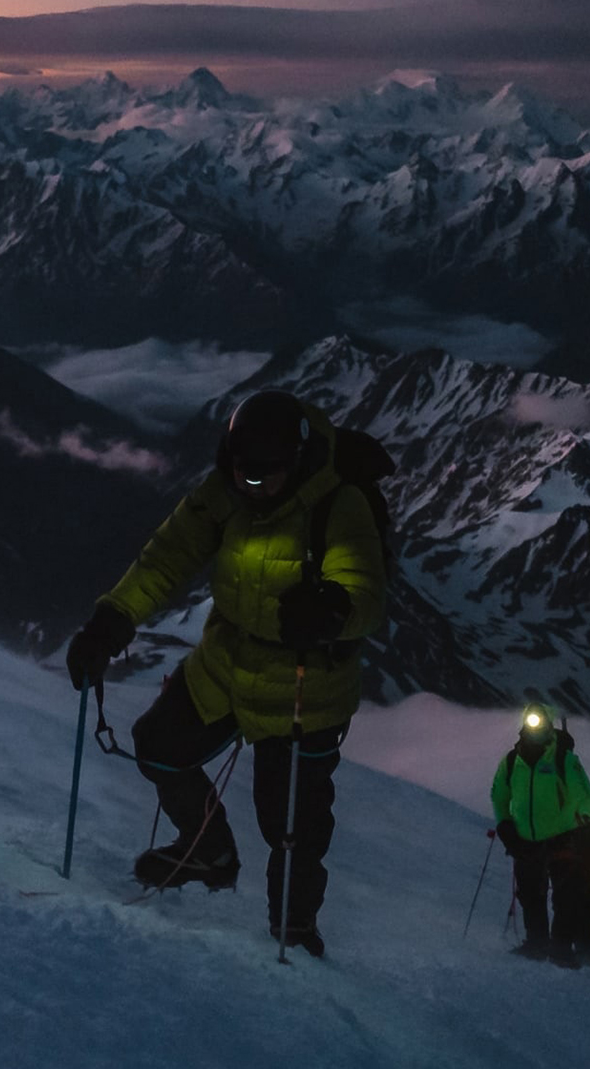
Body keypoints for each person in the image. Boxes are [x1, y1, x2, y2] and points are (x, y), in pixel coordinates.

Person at [65, 389, 387, 958]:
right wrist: (110, 621)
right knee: (159, 745)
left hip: (304, 686)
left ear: (299, 459)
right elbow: (166, 559)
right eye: (244, 471)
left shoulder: (339, 505)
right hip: (226, 662)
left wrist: (332, 610)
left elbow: (364, 585)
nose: (253, 483)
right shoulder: (224, 491)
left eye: (267, 473)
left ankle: (294, 932)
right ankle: (208, 852)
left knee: (290, 825)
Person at [488, 706, 590, 966]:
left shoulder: (563, 758)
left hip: (561, 837)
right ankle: (537, 944)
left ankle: (560, 948)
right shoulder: (511, 761)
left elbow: (583, 795)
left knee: (566, 896)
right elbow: (499, 795)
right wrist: (505, 824)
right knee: (530, 894)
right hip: (524, 838)